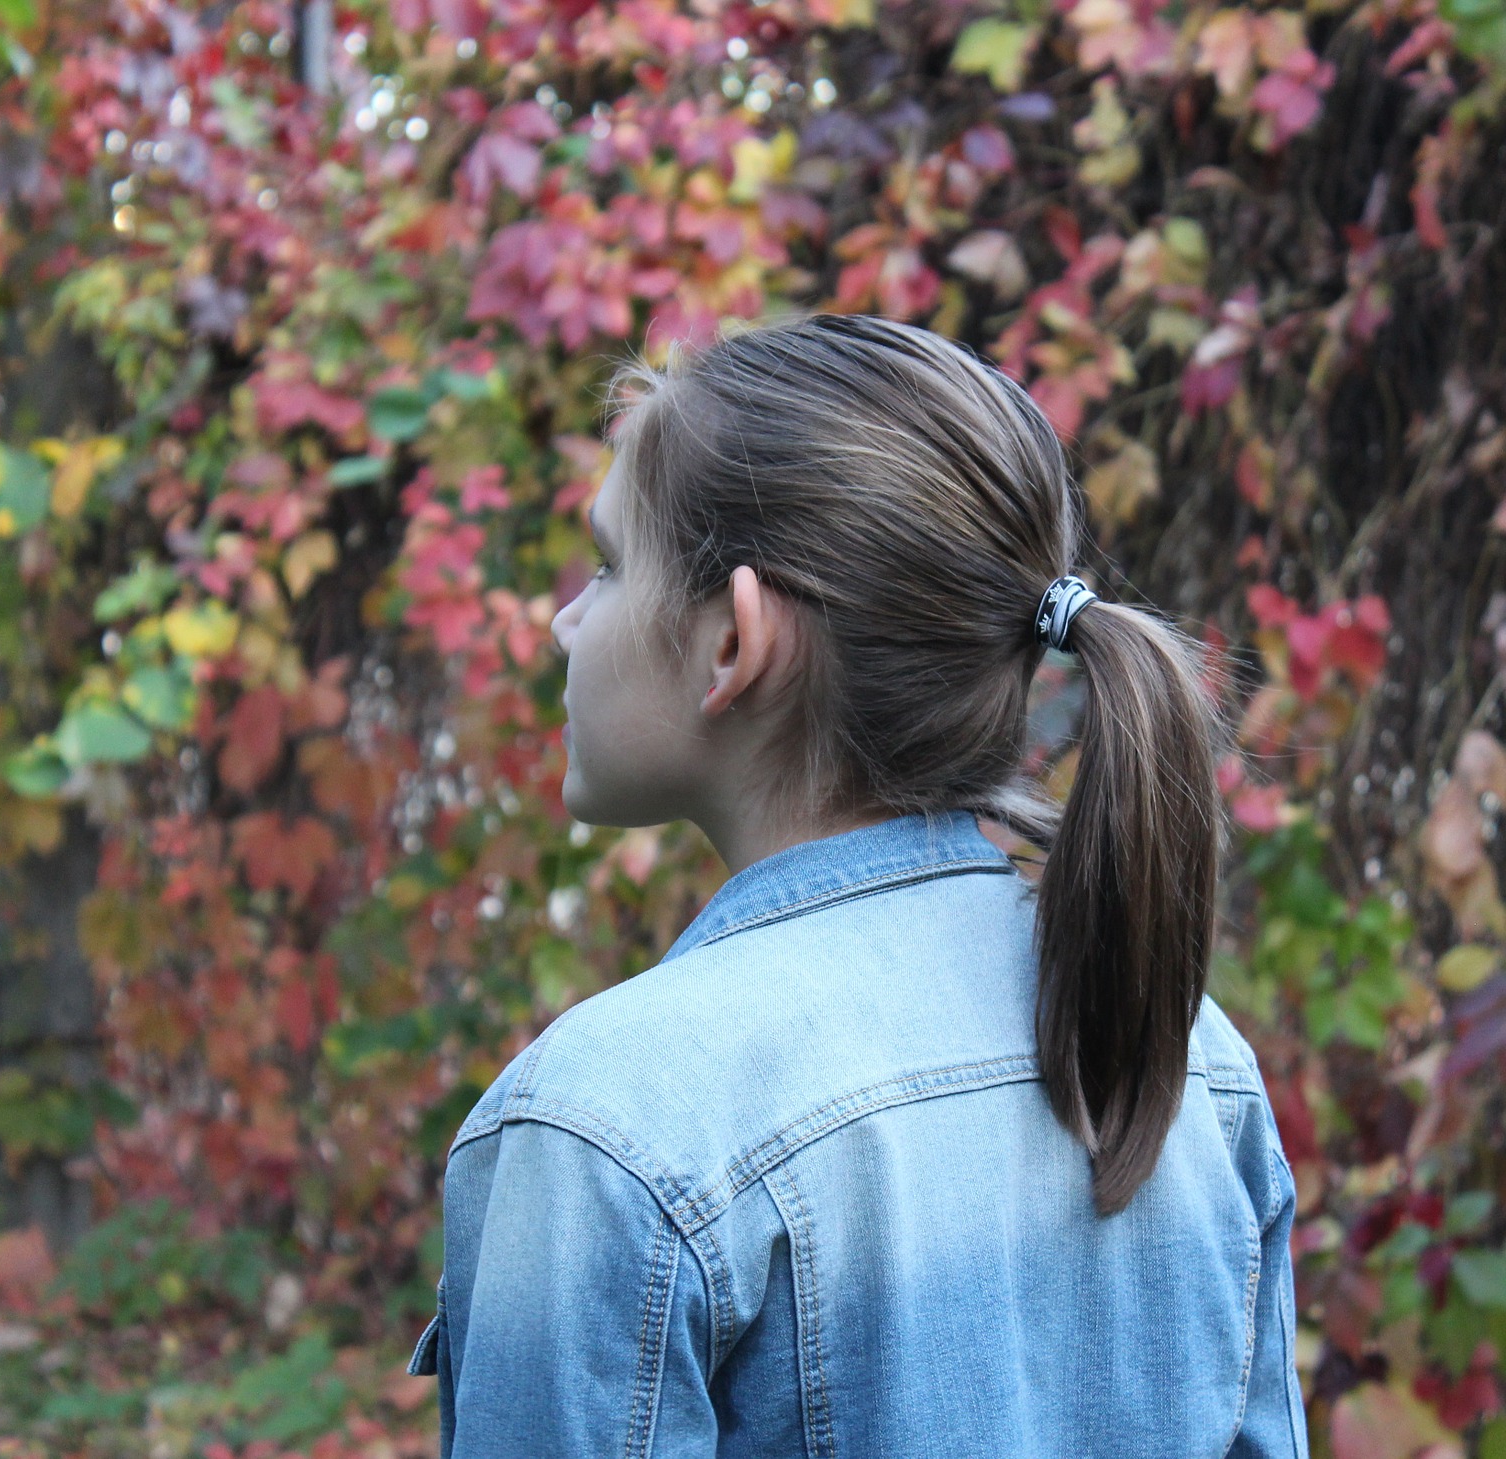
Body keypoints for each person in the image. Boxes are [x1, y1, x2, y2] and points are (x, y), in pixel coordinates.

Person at [405, 311, 1307, 1458]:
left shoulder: (608, 1125)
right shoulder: (1179, 1057)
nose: (563, 620)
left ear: (733, 645)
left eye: (607, 564)